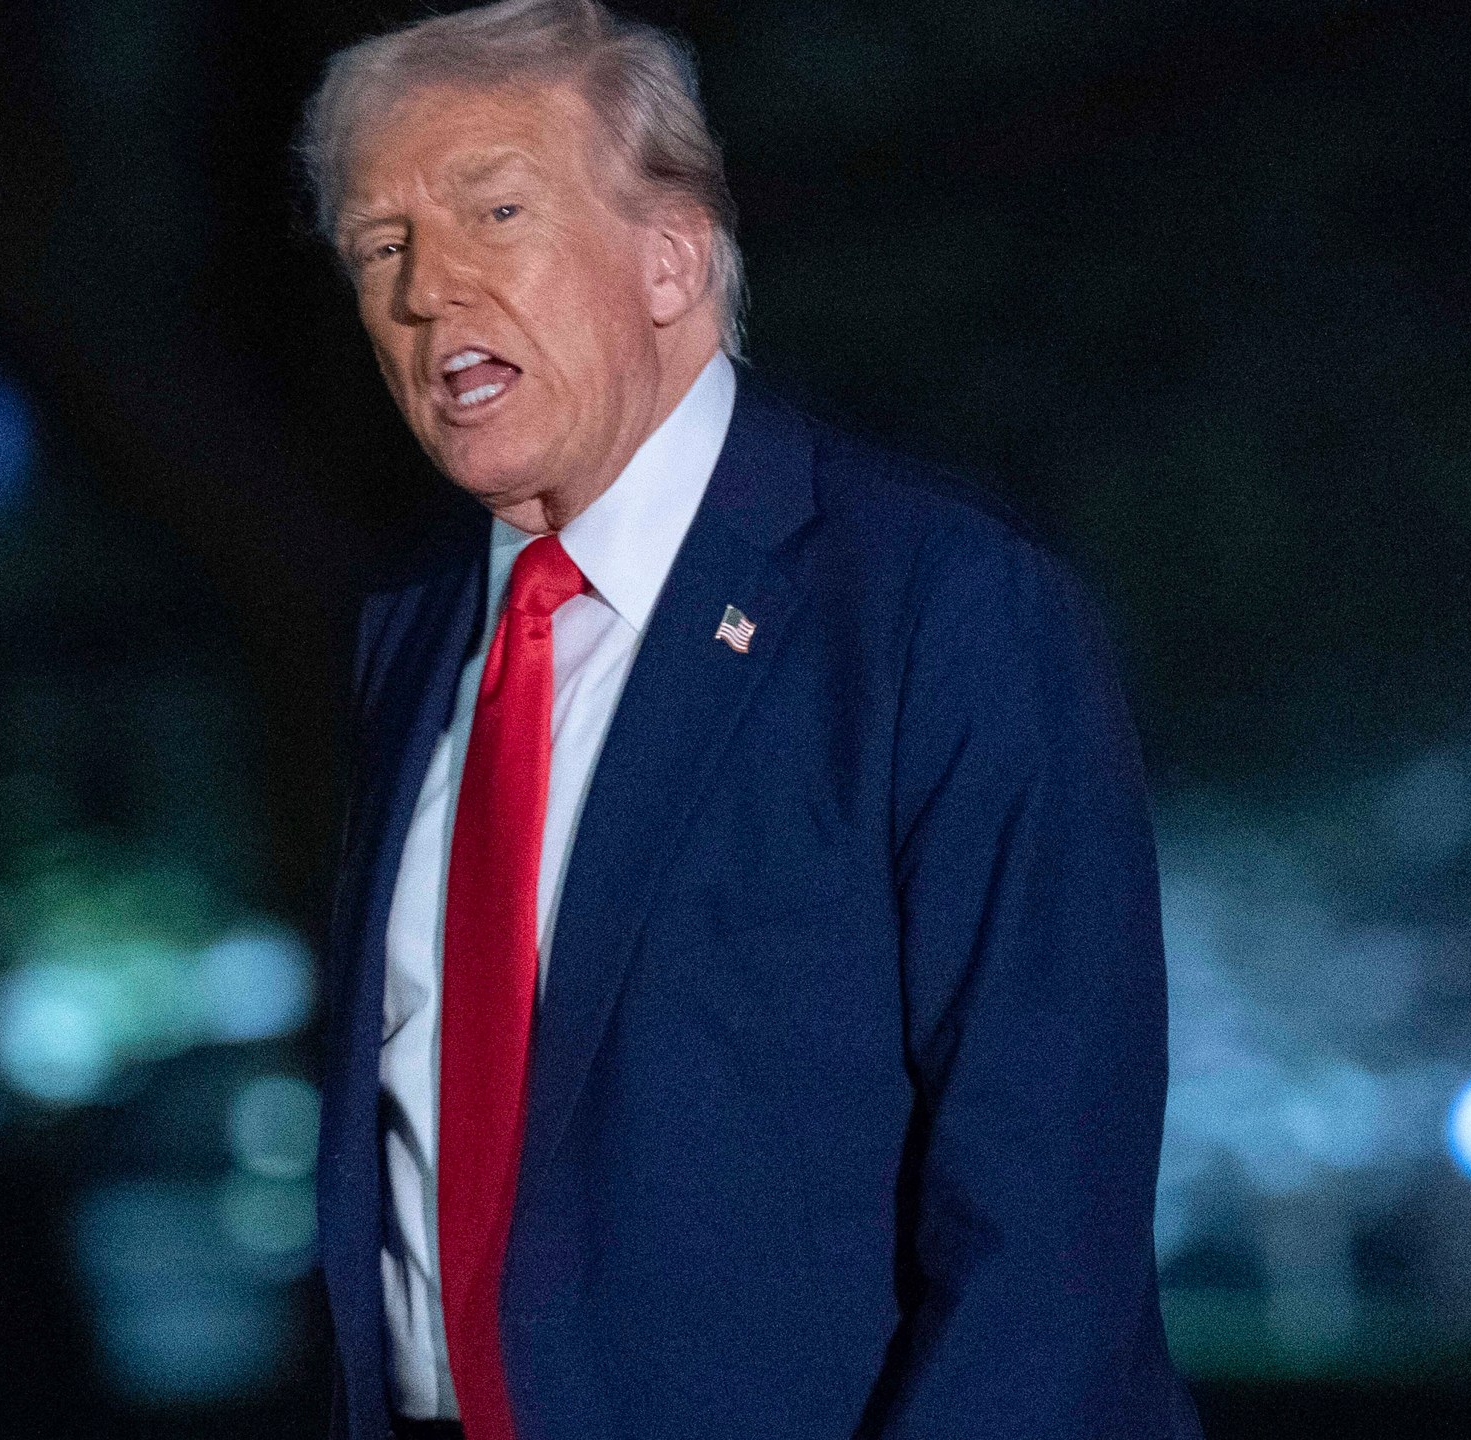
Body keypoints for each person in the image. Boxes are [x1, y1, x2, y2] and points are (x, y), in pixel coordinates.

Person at [296, 3, 1202, 1436]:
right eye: (380, 246)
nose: (426, 291)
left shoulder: (941, 608)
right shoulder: (404, 631)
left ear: (672, 257)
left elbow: (1048, 1230)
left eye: (497, 210)